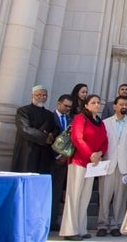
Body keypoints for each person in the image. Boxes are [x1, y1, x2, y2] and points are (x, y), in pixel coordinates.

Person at [60, 94, 108, 241]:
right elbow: (77, 138)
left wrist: (100, 153)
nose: (97, 105)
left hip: (93, 164)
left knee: (85, 196)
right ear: (86, 105)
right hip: (79, 161)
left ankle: (81, 228)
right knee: (73, 195)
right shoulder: (81, 118)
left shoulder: (100, 122)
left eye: (98, 102)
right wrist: (90, 154)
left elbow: (105, 140)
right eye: (93, 103)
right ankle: (69, 230)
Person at [97, 96, 127, 237]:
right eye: (121, 104)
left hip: (124, 166)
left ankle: (117, 224)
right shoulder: (105, 123)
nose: (124, 106)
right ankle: (102, 224)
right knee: (105, 196)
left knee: (120, 198)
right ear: (114, 106)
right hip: (108, 163)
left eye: (126, 104)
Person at [11, 85, 57, 174]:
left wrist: (52, 135)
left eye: (44, 95)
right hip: (27, 149)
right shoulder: (23, 111)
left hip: (43, 151)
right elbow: (25, 128)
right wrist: (45, 137)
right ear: (32, 96)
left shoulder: (49, 114)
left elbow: (55, 128)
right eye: (38, 95)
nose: (41, 97)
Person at [50, 94, 73, 231]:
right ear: (59, 103)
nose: (67, 109)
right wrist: (57, 155)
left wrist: (64, 155)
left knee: (58, 192)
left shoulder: (70, 119)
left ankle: (53, 221)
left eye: (70, 107)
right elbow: (48, 138)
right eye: (65, 106)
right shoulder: (50, 117)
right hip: (50, 160)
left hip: (65, 160)